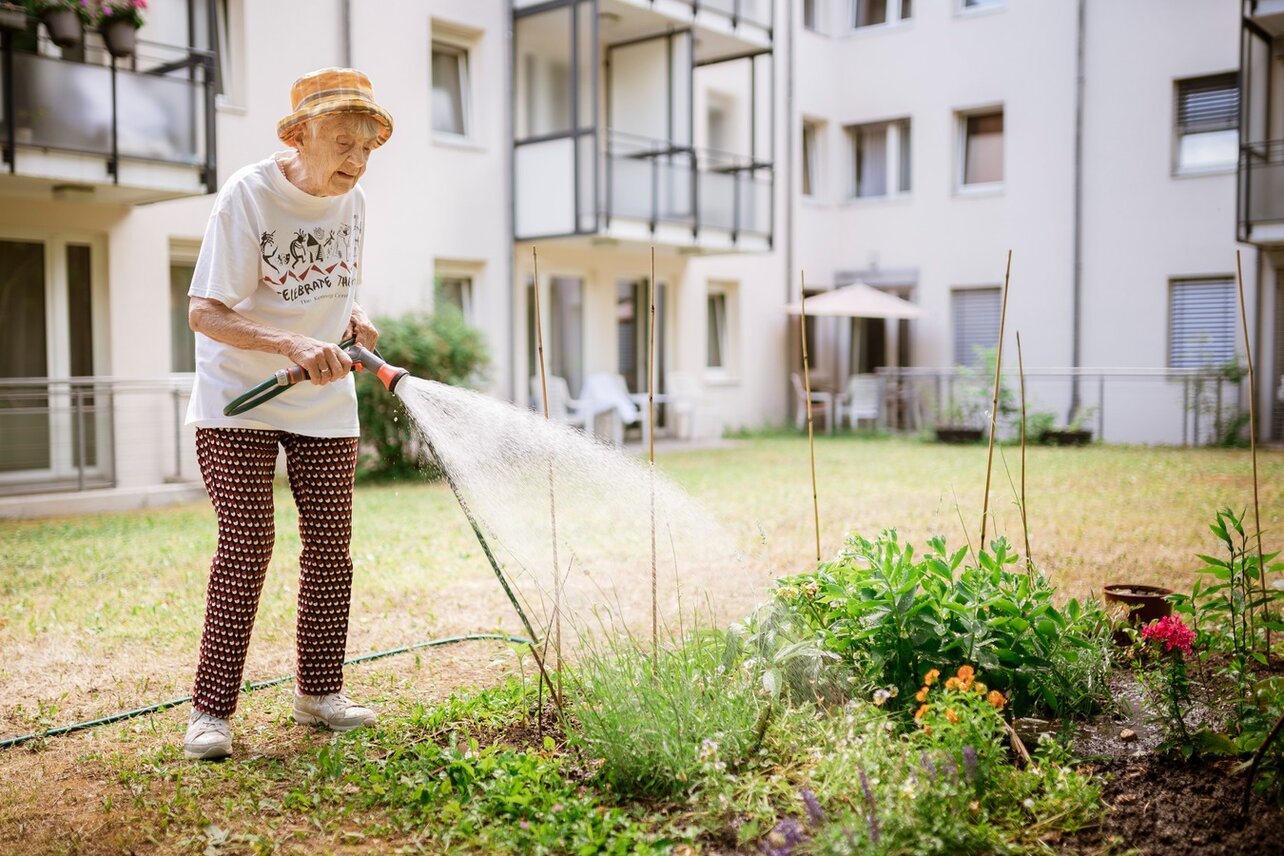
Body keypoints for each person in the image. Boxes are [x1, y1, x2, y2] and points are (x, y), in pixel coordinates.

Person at [180, 68, 393, 761]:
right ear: (301, 134)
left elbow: (339, 287)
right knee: (248, 544)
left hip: (323, 393)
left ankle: (319, 693)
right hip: (239, 394)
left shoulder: (353, 201)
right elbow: (203, 312)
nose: (356, 163)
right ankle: (211, 713)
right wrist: (287, 341)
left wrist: (354, 319)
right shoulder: (248, 195)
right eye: (342, 144)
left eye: (367, 149)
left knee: (333, 547)